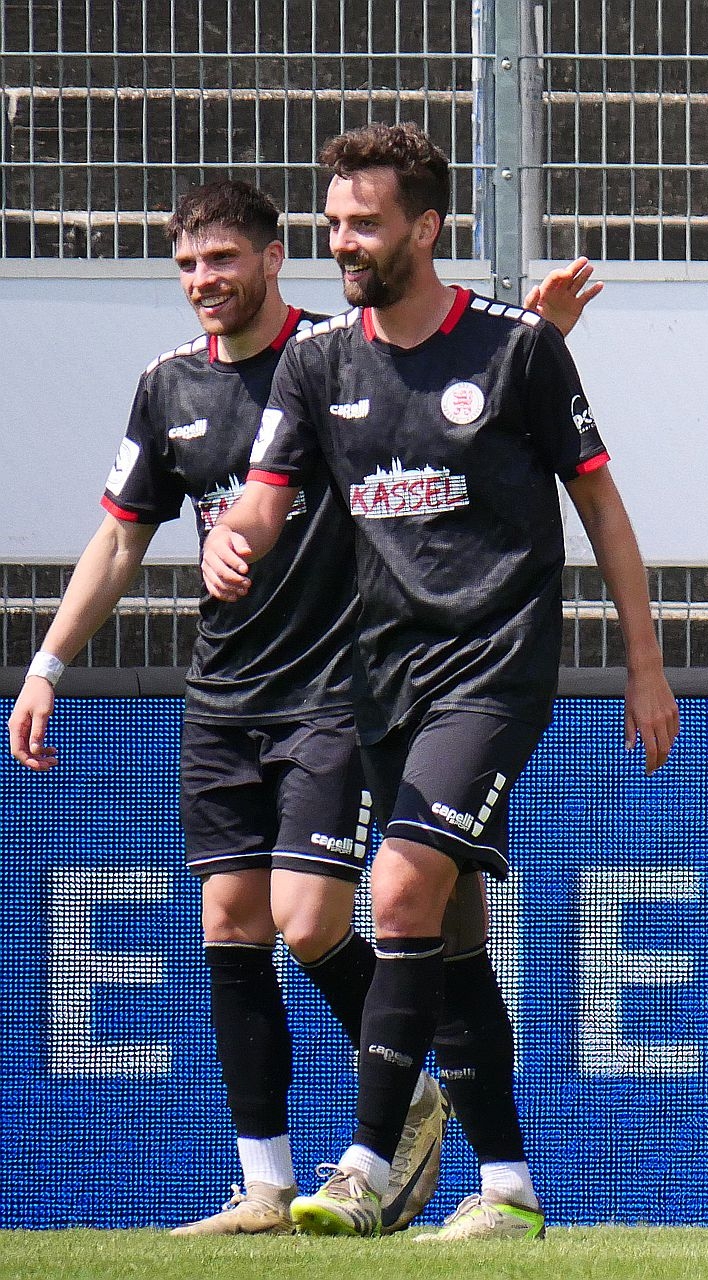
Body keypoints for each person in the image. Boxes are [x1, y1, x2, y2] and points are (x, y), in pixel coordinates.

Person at [5, 182, 602, 1237]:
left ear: (274, 258)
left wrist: (537, 334)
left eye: (223, 259)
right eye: (187, 266)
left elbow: (449, 396)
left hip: (341, 686)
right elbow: (121, 536)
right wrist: (49, 662)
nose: (205, 282)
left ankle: (403, 1106)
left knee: (316, 916)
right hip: (224, 690)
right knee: (229, 922)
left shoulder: (334, 356)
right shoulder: (167, 387)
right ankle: (269, 1185)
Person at [202, 122, 677, 1241]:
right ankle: (507, 1186)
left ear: (425, 227)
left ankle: (367, 1164)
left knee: (401, 887)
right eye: (334, 223)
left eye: (365, 223)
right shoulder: (319, 362)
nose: (344, 241)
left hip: (494, 669)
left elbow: (602, 506)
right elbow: (265, 495)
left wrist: (645, 664)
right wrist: (234, 538)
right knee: (450, 936)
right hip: (380, 678)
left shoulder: (519, 349)